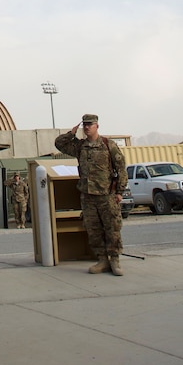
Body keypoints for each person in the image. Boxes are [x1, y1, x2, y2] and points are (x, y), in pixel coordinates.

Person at [55, 113, 128, 276]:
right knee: (93, 230)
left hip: (107, 195)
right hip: (87, 196)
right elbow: (59, 144)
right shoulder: (80, 146)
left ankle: (114, 260)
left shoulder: (108, 145)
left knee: (113, 228)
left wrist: (119, 192)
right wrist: (71, 133)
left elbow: (121, 169)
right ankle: (102, 260)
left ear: (97, 126)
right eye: (84, 125)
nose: (87, 127)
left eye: (90, 124)